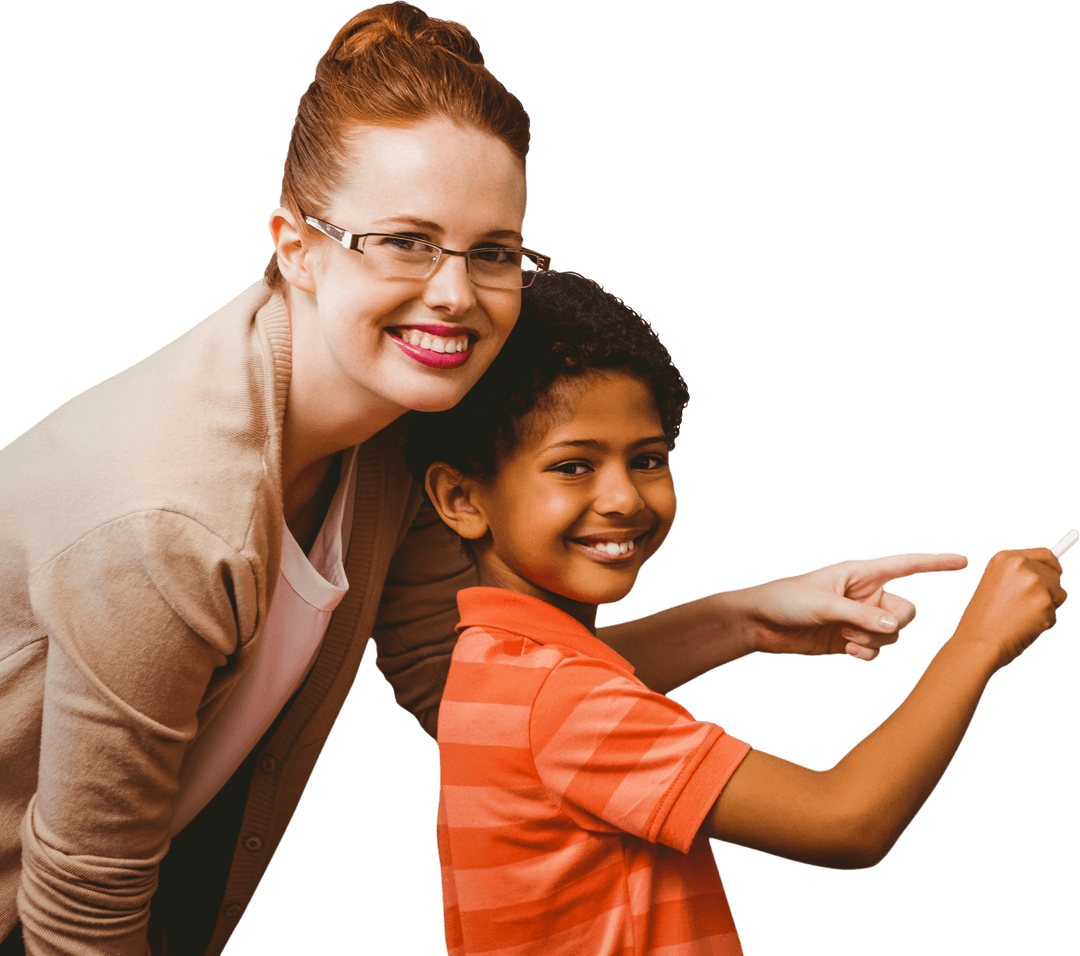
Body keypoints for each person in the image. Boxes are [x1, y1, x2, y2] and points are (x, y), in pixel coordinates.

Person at [0, 5, 967, 955]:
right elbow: (83, 897)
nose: (456, 294)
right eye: (406, 241)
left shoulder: (391, 422)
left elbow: (461, 688)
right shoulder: (171, 518)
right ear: (297, 248)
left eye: (493, 252)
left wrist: (750, 619)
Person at [405, 269, 1067, 956]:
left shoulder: (491, 664)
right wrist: (980, 641)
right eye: (573, 466)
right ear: (461, 498)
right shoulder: (563, 703)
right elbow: (847, 822)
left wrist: (747, 621)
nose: (624, 499)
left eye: (649, 459)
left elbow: (585, 679)